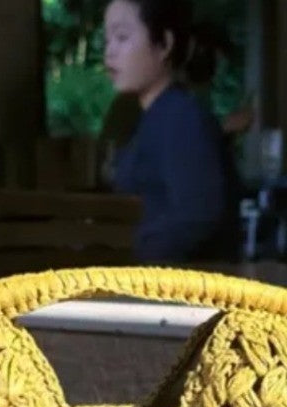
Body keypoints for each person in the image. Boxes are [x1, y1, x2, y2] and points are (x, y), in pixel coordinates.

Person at [103, 0, 240, 264]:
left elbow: (198, 213)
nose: (110, 52)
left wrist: (127, 254)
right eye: (107, 40)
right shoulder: (149, 117)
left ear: (164, 44)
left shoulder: (182, 115)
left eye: (122, 37)